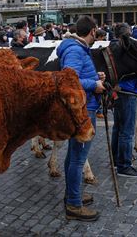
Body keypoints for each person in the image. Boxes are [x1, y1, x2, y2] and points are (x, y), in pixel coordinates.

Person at [56, 15, 104, 222]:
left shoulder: (76, 48)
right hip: (84, 111)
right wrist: (94, 85)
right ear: (92, 31)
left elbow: (76, 77)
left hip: (86, 107)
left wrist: (95, 77)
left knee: (74, 156)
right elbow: (68, 81)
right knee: (78, 158)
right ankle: (74, 205)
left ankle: (72, 195)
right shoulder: (76, 50)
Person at [110, 23, 137, 178]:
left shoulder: (112, 48)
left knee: (118, 127)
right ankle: (124, 165)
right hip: (128, 91)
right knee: (127, 130)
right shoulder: (125, 49)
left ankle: (116, 159)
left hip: (121, 91)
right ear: (127, 34)